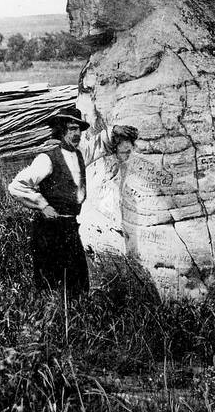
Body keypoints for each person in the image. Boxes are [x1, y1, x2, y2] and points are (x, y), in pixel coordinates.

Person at [7, 108, 138, 296]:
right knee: (50, 282)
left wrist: (113, 131)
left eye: (79, 129)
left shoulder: (80, 154)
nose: (77, 134)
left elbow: (98, 145)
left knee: (78, 281)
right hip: (49, 228)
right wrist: (43, 205)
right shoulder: (47, 159)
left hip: (69, 226)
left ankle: (75, 310)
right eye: (71, 129)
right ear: (61, 131)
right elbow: (16, 186)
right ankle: (50, 311)